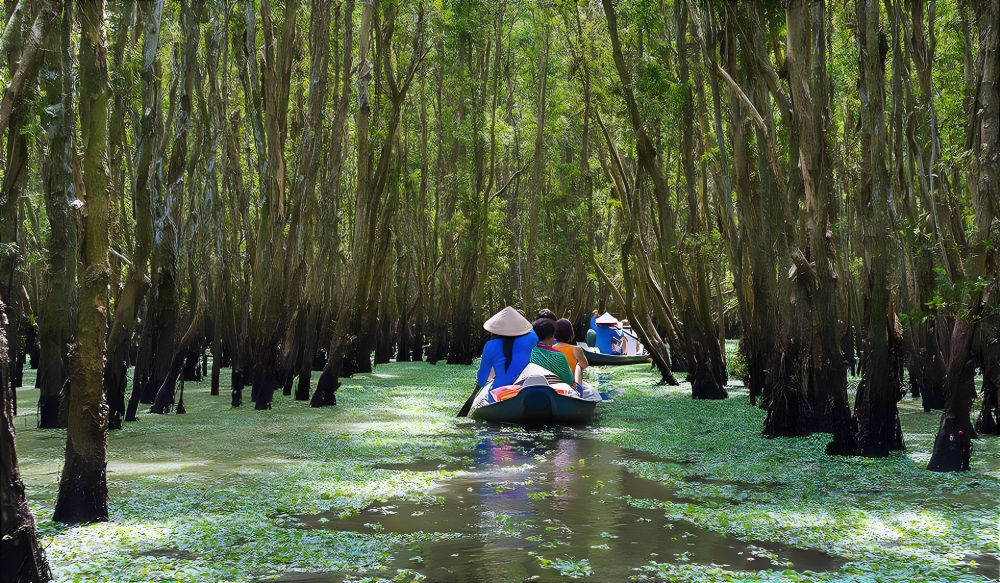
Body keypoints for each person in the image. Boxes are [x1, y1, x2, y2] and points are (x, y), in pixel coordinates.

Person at [477, 307, 538, 389]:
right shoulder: (533, 338)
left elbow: (481, 381)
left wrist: (480, 379)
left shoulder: (490, 345)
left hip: (499, 390)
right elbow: (529, 331)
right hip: (525, 388)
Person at [529, 318, 575, 386]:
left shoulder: (528, 352)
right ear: (551, 336)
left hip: (532, 390)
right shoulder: (559, 356)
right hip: (555, 394)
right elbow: (569, 381)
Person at [553, 318, 589, 388]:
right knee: (579, 366)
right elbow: (585, 365)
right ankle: (579, 389)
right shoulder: (576, 349)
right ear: (570, 333)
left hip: (555, 384)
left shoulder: (551, 348)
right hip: (570, 385)